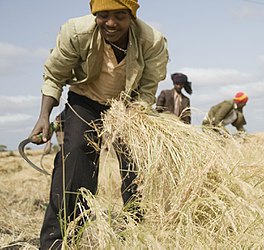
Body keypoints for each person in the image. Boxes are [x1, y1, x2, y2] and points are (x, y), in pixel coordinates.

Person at [28, 1, 168, 249]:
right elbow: (55, 75)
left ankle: (136, 232)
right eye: (103, 16)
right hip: (86, 100)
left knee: (135, 165)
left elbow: (148, 88)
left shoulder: (152, 41)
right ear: (95, 15)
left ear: (132, 17)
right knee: (76, 158)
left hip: (128, 105)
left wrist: (133, 115)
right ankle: (60, 239)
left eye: (120, 16)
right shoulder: (76, 32)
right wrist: (43, 117)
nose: (111, 23)